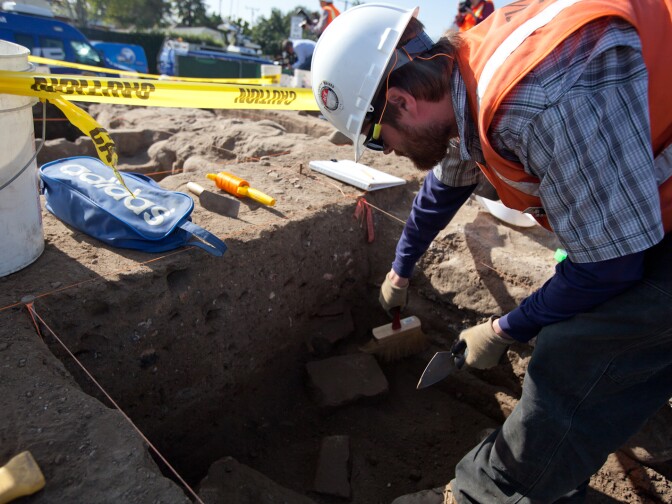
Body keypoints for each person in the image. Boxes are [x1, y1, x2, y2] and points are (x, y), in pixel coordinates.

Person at [311, 2, 672, 503]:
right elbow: (442, 191)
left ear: (400, 102)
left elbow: (611, 267)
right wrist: (400, 268)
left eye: (375, 140)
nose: (387, 152)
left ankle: (494, 491)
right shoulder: (461, 81)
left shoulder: (538, 98)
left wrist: (505, 328)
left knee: (580, 349)